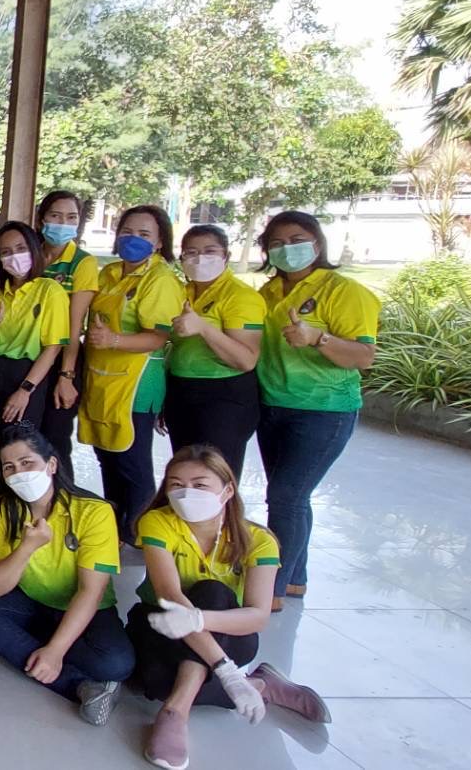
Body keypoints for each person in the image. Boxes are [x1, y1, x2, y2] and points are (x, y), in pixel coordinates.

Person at [131, 445, 332, 770]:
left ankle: (175, 712)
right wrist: (227, 673)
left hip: (228, 633)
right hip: (163, 623)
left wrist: (200, 619)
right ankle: (260, 685)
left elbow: (257, 615)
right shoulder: (158, 522)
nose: (186, 493)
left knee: (212, 592)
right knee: (152, 684)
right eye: (176, 484)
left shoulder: (259, 540)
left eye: (200, 485)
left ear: (227, 491)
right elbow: (170, 595)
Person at [0, 425, 132, 725]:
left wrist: (56, 650)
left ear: (51, 465)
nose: (19, 473)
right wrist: (27, 547)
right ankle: (83, 687)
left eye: (27, 463)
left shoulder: (94, 512)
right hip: (31, 601)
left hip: (83, 608)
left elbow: (91, 591)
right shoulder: (0, 510)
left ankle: (32, 644)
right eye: (9, 467)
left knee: (116, 664)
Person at [254, 210, 379, 605]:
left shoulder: (344, 291)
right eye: (276, 243)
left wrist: (318, 338)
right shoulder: (268, 293)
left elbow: (364, 356)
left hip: (324, 410)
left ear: (317, 244)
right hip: (273, 406)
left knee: (286, 496)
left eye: (296, 240)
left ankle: (270, 590)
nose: (287, 249)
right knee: (292, 497)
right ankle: (295, 578)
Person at [78, 205, 184, 540]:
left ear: (159, 242)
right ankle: (115, 527)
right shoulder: (110, 274)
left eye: (143, 234)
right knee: (107, 455)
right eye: (126, 232)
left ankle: (140, 534)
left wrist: (114, 340)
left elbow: (159, 336)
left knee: (131, 462)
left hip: (136, 383)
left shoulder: (160, 280)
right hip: (101, 377)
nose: (132, 239)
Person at [164, 224, 265, 477]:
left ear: (226, 256)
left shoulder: (241, 296)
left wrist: (204, 328)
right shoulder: (181, 292)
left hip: (224, 398)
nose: (200, 259)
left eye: (210, 251)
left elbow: (246, 360)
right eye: (191, 252)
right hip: (181, 391)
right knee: (184, 472)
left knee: (215, 475)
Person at [0, 222, 69, 464]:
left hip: (26, 375)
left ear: (34, 249)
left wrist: (25, 390)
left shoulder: (50, 290)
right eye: (6, 252)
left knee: (20, 448)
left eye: (20, 248)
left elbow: (52, 349)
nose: (14, 256)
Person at [35, 191, 100, 478]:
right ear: (41, 219)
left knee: (55, 440)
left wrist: (66, 376)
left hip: (63, 359)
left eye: (71, 217)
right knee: (27, 438)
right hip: (30, 355)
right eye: (55, 216)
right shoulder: (31, 255)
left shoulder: (82, 263)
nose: (62, 223)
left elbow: (74, 326)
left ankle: (63, 497)